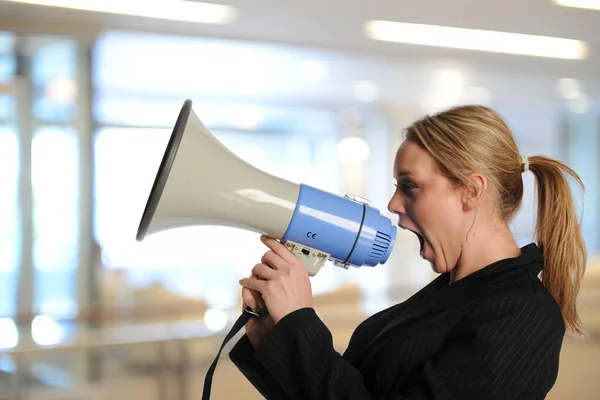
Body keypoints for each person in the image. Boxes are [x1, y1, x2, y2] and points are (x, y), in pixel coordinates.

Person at [230, 105, 587, 400]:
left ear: (472, 191)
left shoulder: (522, 315)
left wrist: (298, 322)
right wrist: (271, 338)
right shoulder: (450, 294)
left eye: (410, 186)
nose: (393, 203)